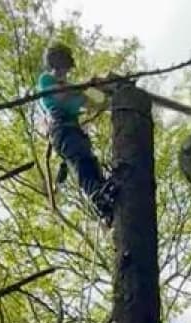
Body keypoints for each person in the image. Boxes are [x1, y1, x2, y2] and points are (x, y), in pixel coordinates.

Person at [37, 43, 116, 226]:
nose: (64, 69)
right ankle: (99, 198)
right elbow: (61, 96)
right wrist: (86, 86)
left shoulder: (74, 87)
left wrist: (103, 90)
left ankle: (107, 201)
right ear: (55, 64)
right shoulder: (46, 80)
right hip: (62, 130)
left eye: (66, 65)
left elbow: (98, 101)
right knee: (82, 164)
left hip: (74, 131)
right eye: (62, 64)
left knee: (91, 164)